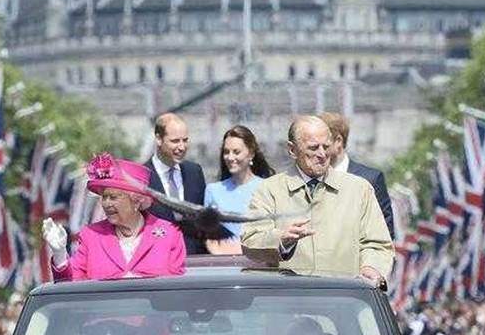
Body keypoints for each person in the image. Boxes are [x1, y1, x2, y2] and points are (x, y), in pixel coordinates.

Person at [241, 116, 394, 284]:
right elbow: (250, 240)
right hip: (288, 301)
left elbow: (377, 244)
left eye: (326, 147)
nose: (322, 154)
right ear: (292, 150)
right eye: (313, 148)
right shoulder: (269, 190)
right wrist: (280, 240)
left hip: (345, 300)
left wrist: (371, 268)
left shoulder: (359, 190)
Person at [43, 154, 186, 280]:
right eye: (104, 197)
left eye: (113, 197)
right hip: (103, 311)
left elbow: (177, 290)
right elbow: (70, 285)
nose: (106, 203)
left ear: (136, 200)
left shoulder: (170, 234)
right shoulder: (91, 236)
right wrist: (60, 254)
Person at [318, 112, 395, 240]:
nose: (317, 150)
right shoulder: (307, 179)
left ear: (338, 141)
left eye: (322, 144)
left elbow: (384, 233)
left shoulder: (370, 179)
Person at [203, 125, 275, 253]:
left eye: (236, 152)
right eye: (226, 152)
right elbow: (211, 238)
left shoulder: (268, 187)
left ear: (251, 153)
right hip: (225, 263)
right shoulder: (212, 191)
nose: (230, 158)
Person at [145, 113, 207, 254]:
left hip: (194, 262)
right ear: (159, 139)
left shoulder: (194, 172)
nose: (182, 147)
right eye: (175, 141)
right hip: (156, 260)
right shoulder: (142, 176)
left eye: (185, 140)